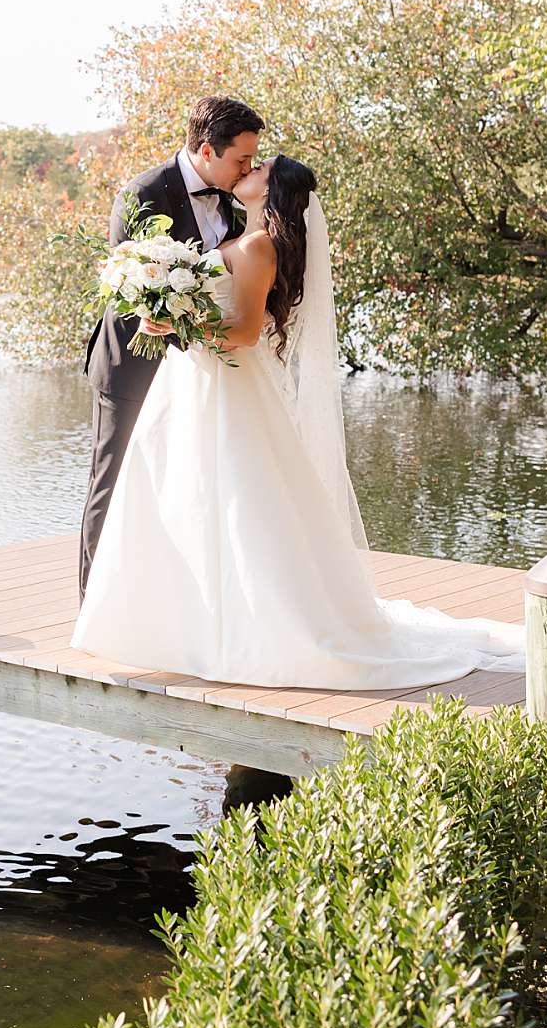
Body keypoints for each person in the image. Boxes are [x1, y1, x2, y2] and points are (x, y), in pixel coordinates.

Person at [73, 154, 524, 690]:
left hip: (227, 385)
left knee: (237, 503)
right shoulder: (241, 234)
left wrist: (176, 323)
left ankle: (243, 628)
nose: (251, 167)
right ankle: (194, 621)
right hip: (199, 381)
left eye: (260, 166)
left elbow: (244, 333)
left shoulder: (258, 246)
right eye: (247, 160)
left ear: (274, 191)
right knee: (196, 498)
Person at [79, 94, 264, 599]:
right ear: (206, 150)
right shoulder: (143, 194)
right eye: (241, 158)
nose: (249, 168)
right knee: (113, 487)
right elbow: (126, 285)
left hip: (201, 374)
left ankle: (169, 606)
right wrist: (159, 312)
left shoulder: (233, 197)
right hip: (133, 368)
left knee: (186, 492)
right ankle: (93, 609)